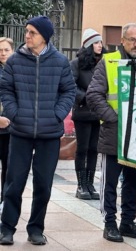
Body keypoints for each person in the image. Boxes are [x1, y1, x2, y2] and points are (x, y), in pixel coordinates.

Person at [0, 16, 76, 245]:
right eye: (27, 31)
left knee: (43, 185)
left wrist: (56, 115)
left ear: (44, 36)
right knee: (14, 183)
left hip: (49, 134)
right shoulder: (15, 62)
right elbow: (6, 90)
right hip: (21, 132)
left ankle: (35, 229)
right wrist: (15, 114)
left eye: (32, 32)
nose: (27, 35)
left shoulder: (60, 61)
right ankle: (7, 228)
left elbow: (68, 92)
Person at [86, 23, 136, 242]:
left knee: (133, 181)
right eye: (132, 39)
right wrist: (114, 118)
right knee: (110, 182)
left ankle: (128, 221)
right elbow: (93, 95)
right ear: (122, 40)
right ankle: (110, 222)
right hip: (115, 133)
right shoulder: (109, 61)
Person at [70, 28, 106, 200]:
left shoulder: (104, 62)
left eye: (100, 42)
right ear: (89, 45)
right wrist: (86, 97)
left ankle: (90, 183)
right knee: (82, 149)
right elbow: (71, 86)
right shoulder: (77, 63)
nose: (100, 45)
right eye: (96, 42)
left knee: (94, 149)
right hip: (83, 111)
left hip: (98, 113)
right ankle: (81, 184)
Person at [0, 37, 13, 215]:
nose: (2, 53)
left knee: (9, 169)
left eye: (6, 50)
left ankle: (5, 201)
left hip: (12, 129)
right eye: (0, 50)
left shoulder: (17, 70)